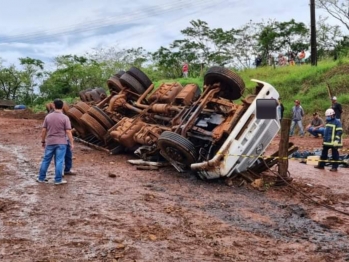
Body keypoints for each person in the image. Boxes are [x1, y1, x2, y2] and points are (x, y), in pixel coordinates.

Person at [37, 99, 74, 185]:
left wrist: (43, 141)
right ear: (62, 107)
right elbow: (68, 131)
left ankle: (41, 178)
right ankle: (58, 180)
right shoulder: (65, 118)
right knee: (59, 161)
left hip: (50, 142)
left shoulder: (48, 117)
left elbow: (43, 130)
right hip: (61, 143)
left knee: (46, 160)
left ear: (53, 105)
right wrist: (71, 143)